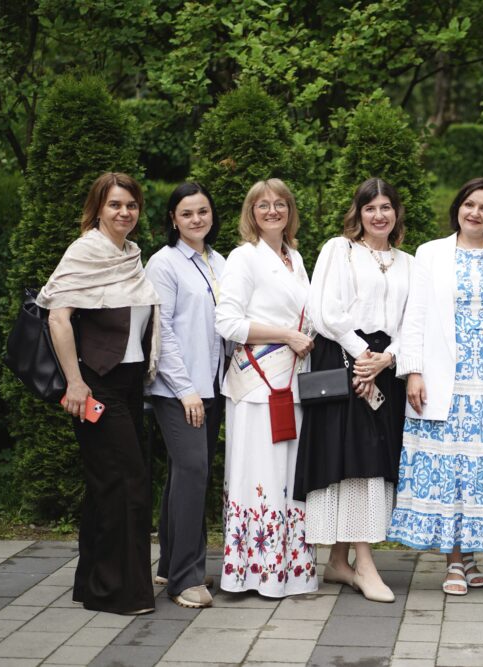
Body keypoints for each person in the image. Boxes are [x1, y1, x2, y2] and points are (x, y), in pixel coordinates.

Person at [388, 178, 483, 595]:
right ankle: (452, 561)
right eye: (469, 204)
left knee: (478, 473)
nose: (475, 213)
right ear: (458, 208)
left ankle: (468, 556)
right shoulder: (430, 253)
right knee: (448, 474)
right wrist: (413, 371)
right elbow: (414, 317)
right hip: (441, 384)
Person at [39, 172, 161, 615]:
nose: (124, 212)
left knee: (106, 483)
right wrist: (75, 382)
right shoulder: (86, 251)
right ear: (98, 209)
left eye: (131, 204)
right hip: (95, 381)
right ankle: (119, 593)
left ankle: (93, 583)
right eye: (115, 204)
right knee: (127, 482)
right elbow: (57, 317)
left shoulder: (130, 255)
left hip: (128, 381)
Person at [294, 178, 412, 603]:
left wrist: (387, 359)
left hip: (385, 369)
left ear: (396, 212)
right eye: (370, 208)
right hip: (344, 360)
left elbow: (415, 322)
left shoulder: (409, 262)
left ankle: (338, 562)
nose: (379, 215)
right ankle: (364, 565)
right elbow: (324, 310)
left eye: (386, 207)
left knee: (371, 460)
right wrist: (364, 356)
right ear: (358, 213)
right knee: (352, 460)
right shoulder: (338, 249)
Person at [215, 178, 317, 597]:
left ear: (290, 210)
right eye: (263, 205)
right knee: (260, 473)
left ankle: (290, 569)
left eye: (280, 204)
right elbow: (227, 322)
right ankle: (254, 571)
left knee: (289, 475)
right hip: (257, 386)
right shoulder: (244, 257)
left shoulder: (295, 256)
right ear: (251, 213)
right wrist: (287, 335)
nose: (272, 211)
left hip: (293, 382)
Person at [145, 183, 225, 608]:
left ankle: (168, 564)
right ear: (173, 220)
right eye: (187, 213)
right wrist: (185, 390)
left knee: (185, 471)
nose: (197, 219)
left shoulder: (219, 261)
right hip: (179, 389)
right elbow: (163, 331)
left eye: (203, 211)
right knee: (193, 470)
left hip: (213, 386)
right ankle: (186, 578)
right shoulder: (164, 263)